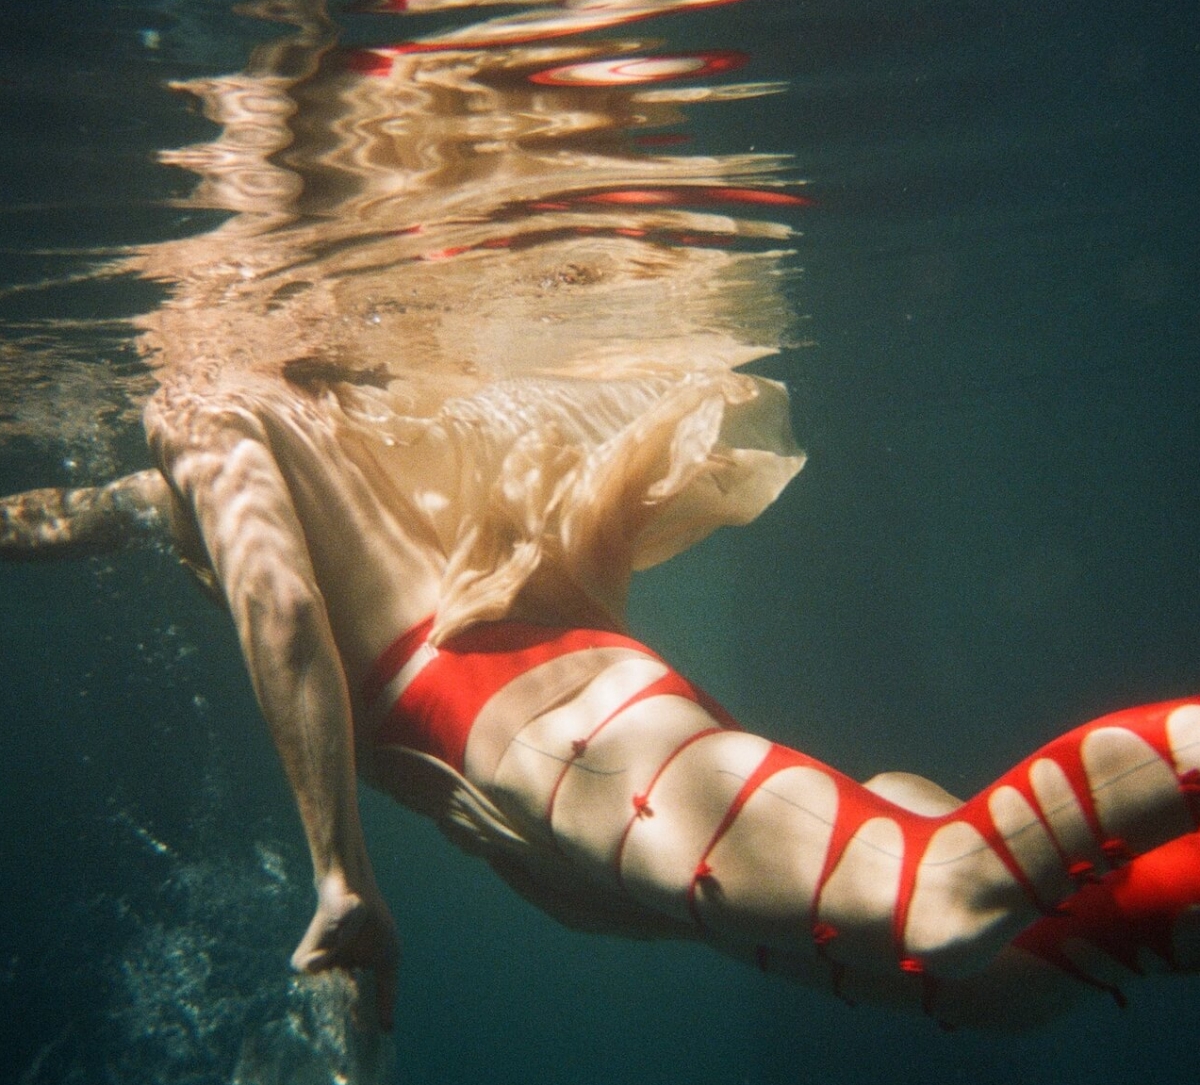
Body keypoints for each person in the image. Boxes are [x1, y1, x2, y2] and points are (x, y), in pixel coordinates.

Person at [3, 358, 1199, 1034]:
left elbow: (280, 613)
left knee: (941, 902)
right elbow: (118, 516)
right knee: (994, 984)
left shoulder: (199, 408)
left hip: (539, 731)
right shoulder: (268, 432)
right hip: (551, 749)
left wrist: (340, 873)